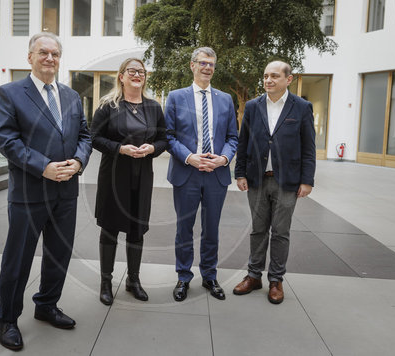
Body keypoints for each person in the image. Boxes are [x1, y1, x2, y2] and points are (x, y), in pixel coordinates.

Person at [0, 32, 92, 350]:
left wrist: (78, 161)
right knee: (18, 258)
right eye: (43, 52)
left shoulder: (72, 96)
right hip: (29, 191)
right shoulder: (9, 93)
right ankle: (7, 317)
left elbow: (85, 136)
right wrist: (44, 166)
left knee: (58, 255)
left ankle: (46, 305)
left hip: (66, 191)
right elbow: (6, 140)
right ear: (30, 57)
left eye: (55, 53)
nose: (50, 58)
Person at [233, 60, 316, 304]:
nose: (269, 80)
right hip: (257, 180)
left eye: (275, 76)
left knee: (280, 232)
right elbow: (243, 142)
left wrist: (307, 180)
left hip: (287, 182)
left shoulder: (301, 107)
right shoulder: (252, 106)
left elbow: (309, 148)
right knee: (258, 230)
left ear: (288, 79)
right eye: (266, 75)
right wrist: (239, 173)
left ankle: (276, 280)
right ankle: (253, 275)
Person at [91, 58, 168, 305]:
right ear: (121, 76)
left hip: (142, 176)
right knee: (110, 229)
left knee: (137, 229)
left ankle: (133, 280)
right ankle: (105, 282)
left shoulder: (154, 107)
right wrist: (120, 149)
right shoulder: (107, 106)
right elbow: (94, 138)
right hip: (114, 176)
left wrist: (151, 148)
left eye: (142, 71)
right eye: (132, 71)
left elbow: (164, 139)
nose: (138, 75)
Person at [165, 47, 238, 302]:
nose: (207, 67)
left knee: (212, 229)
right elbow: (169, 135)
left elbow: (232, 137)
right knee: (184, 228)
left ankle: (209, 275)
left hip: (216, 174)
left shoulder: (225, 99)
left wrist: (224, 158)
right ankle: (183, 277)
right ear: (192, 65)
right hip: (187, 172)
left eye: (212, 64)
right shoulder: (175, 97)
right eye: (203, 63)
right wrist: (190, 157)